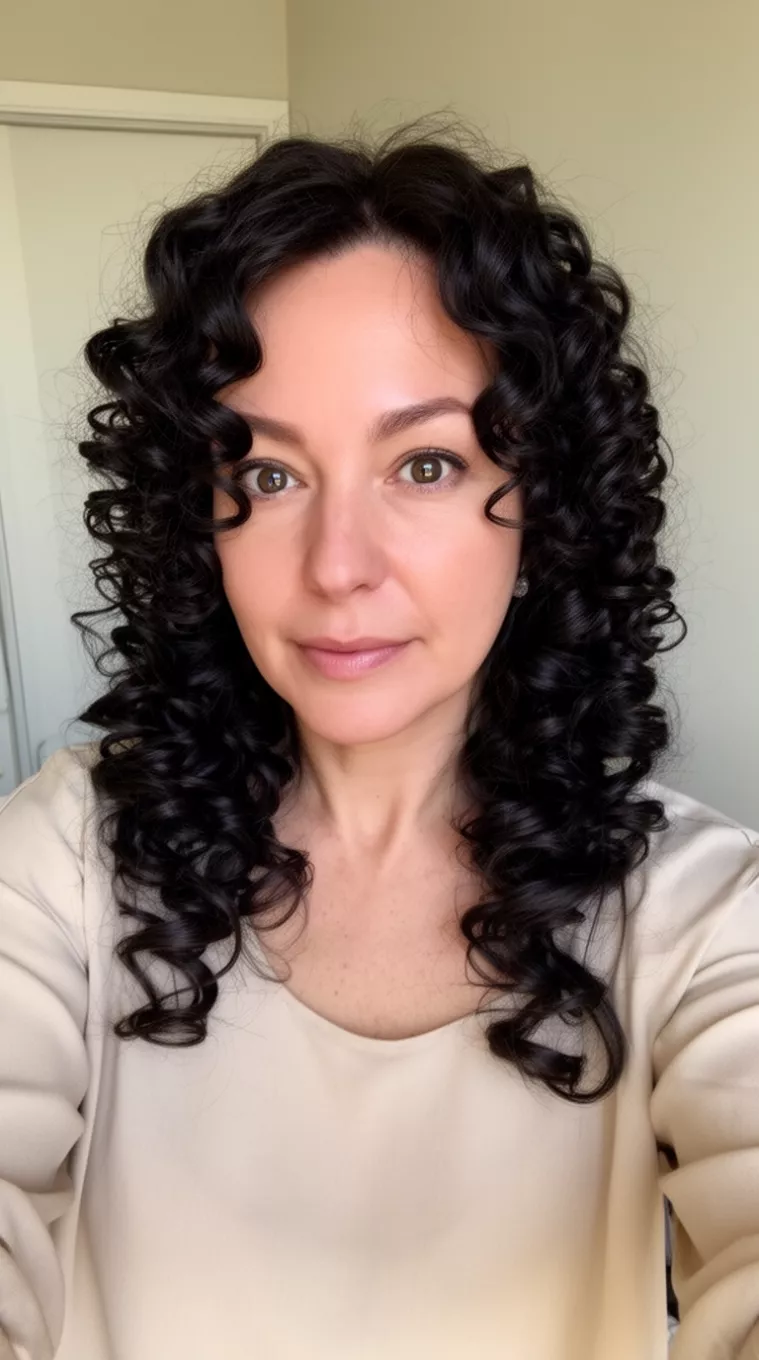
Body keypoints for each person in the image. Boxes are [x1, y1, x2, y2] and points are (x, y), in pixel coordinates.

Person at [0, 113, 757, 1360]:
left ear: (543, 510)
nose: (336, 569)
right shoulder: (70, 854)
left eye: (425, 466)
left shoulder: (699, 916)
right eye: (268, 473)